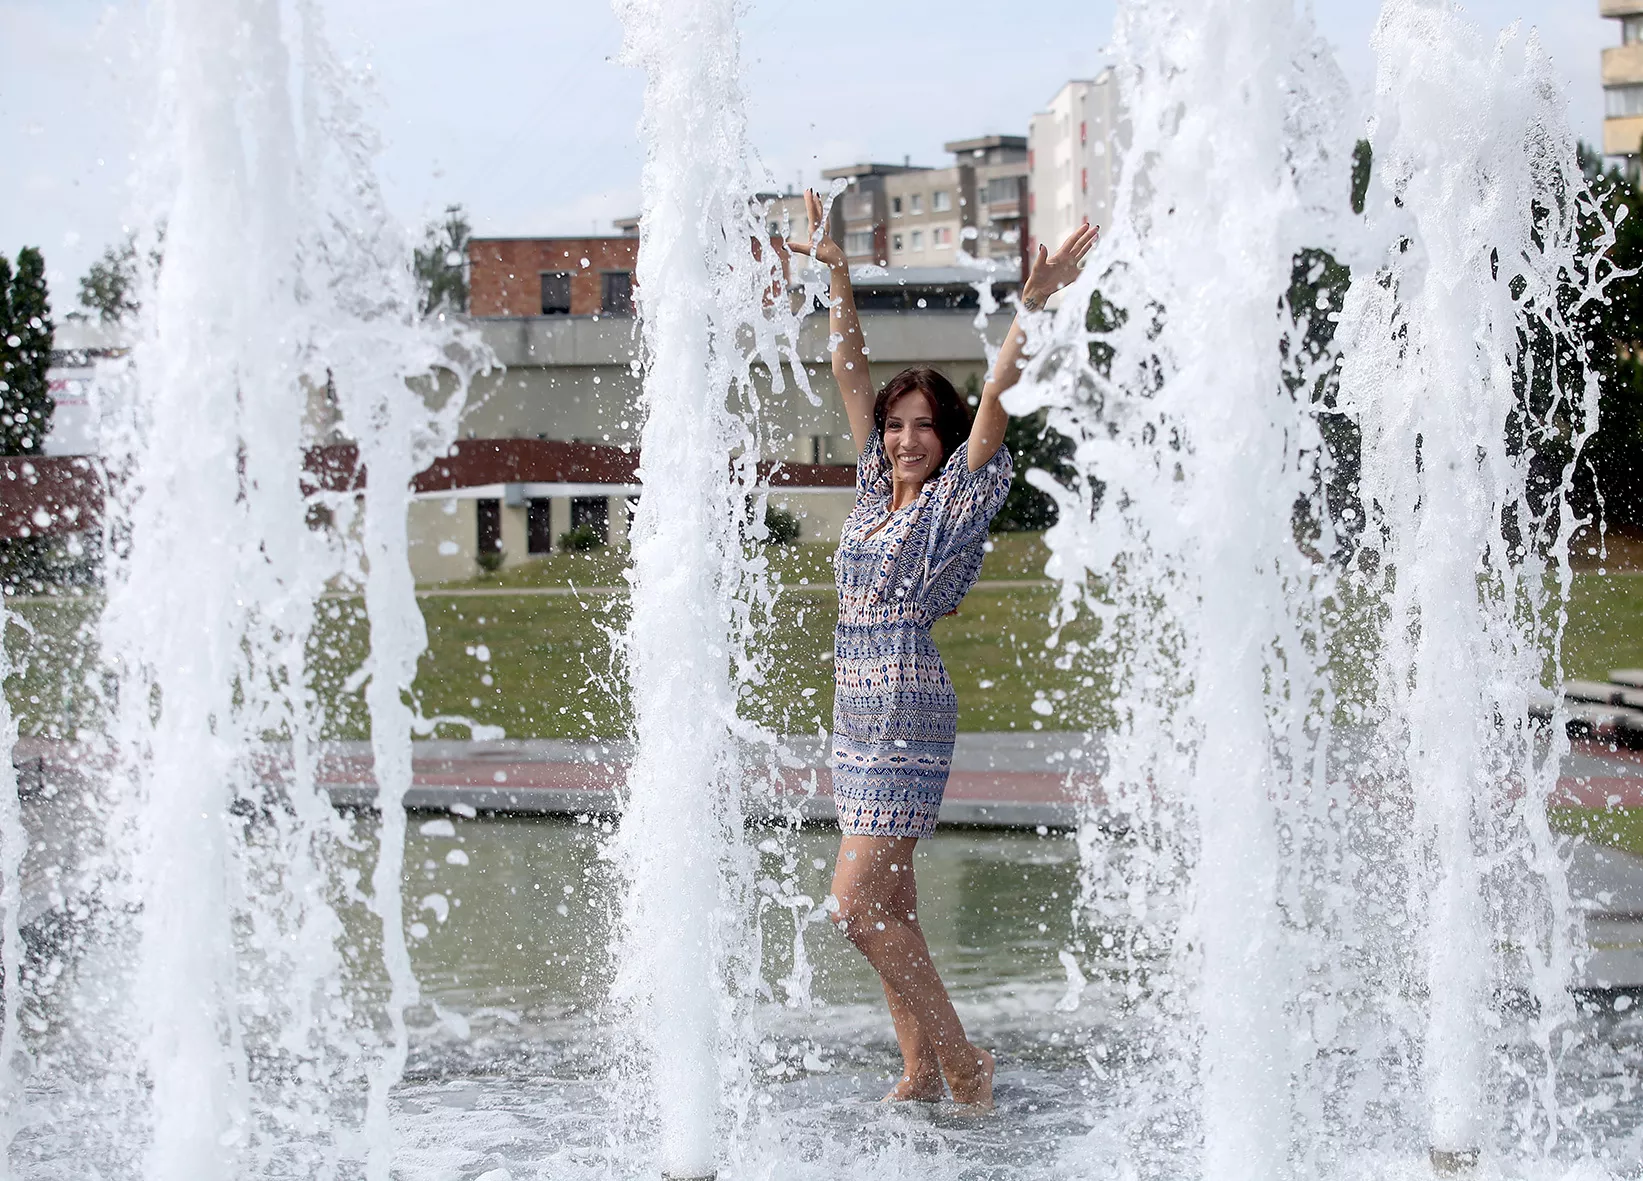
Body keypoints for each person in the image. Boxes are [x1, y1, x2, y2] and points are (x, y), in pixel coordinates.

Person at [780, 191, 1097, 1110]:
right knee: (892, 907)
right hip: (854, 706)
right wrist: (837, 274)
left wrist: (1029, 306)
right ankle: (919, 1069)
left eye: (922, 425)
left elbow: (996, 396)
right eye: (895, 424)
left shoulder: (959, 492)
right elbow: (848, 370)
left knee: (853, 909)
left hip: (906, 703)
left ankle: (961, 1058)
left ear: (945, 436)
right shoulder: (873, 491)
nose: (905, 438)